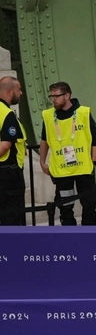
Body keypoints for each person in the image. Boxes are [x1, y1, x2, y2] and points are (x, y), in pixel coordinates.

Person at [39, 82, 96, 227]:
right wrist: (42, 161)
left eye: (56, 96)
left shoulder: (83, 113)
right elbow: (44, 140)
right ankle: (69, 235)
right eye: (51, 96)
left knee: (89, 204)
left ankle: (89, 234)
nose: (53, 99)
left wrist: (94, 162)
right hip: (62, 171)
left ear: (67, 96)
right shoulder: (48, 116)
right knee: (65, 207)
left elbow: (95, 139)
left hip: (84, 169)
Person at [0, 77, 27, 226]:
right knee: (12, 219)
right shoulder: (6, 113)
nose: (21, 93)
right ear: (9, 92)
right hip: (8, 174)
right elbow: (5, 145)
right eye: (18, 89)